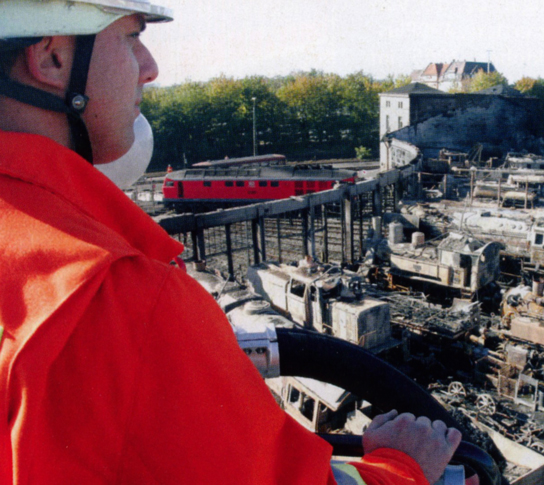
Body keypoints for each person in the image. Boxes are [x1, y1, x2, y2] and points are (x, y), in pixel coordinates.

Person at [0, 1, 464, 483]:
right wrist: (404, 466)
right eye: (132, 37)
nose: (151, 68)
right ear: (52, 58)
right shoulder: (123, 298)